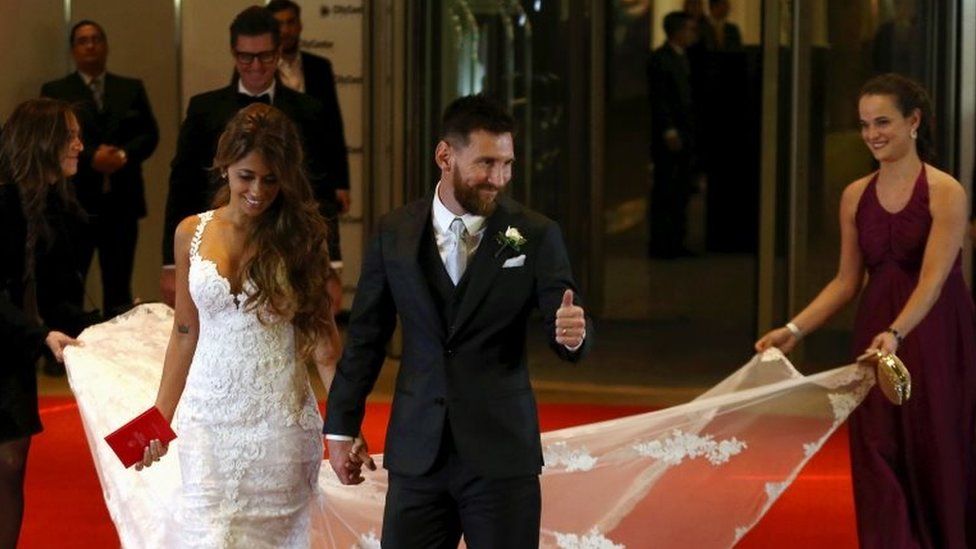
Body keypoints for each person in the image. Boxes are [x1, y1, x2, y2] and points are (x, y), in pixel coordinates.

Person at [324, 94, 592, 547]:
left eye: (507, 164)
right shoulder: (394, 233)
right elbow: (367, 338)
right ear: (444, 156)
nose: (499, 179)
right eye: (487, 163)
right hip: (417, 456)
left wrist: (572, 335)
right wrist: (340, 426)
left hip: (502, 455)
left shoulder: (536, 234)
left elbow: (562, 320)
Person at [756, 74, 976, 548]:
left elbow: (934, 280)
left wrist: (897, 333)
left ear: (914, 121)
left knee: (935, 447)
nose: (872, 134)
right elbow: (845, 281)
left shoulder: (946, 192)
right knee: (879, 447)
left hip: (935, 333)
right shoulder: (855, 195)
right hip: (876, 337)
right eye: (864, 125)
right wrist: (794, 329)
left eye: (883, 122)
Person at [136, 103, 361, 547]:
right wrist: (158, 420)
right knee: (208, 537)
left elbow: (324, 345)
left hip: (278, 427)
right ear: (225, 168)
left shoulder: (303, 237)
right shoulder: (190, 233)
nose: (259, 190)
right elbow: (185, 331)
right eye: (247, 176)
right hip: (206, 422)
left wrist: (344, 428)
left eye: (271, 179)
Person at [161, 6, 341, 307]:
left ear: (280, 51)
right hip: (217, 248)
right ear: (234, 53)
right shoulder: (204, 109)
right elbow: (181, 188)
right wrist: (171, 263)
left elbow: (320, 191)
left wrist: (331, 263)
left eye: (265, 56)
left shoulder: (309, 110)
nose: (256, 66)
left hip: (285, 247)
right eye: (246, 56)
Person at [0, 98, 85, 548]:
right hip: (10, 337)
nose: (80, 145)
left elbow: (56, 298)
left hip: (14, 344)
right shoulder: (3, 199)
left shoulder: (53, 206)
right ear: (43, 141)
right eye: (70, 135)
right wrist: (37, 335)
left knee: (11, 465)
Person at [41, 20, 160, 319]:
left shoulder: (130, 87)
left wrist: (122, 154)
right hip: (74, 203)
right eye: (83, 40)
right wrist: (92, 156)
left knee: (118, 283)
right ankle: (62, 352)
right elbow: (50, 137)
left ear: (106, 45)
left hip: (122, 203)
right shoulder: (57, 90)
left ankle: (115, 350)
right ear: (73, 50)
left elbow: (149, 133)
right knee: (68, 281)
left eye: (96, 39)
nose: (90, 45)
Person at [267, 0, 350, 316]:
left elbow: (334, 126)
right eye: (279, 25)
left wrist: (342, 182)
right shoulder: (262, 68)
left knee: (323, 257)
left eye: (290, 22)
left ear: (300, 26)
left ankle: (320, 321)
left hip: (316, 175)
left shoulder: (319, 67)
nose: (286, 30)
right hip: (276, 173)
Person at [647, 11, 697, 258]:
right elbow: (660, 100)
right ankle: (662, 243)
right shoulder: (660, 59)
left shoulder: (684, 58)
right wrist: (669, 129)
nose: (692, 34)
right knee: (666, 187)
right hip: (669, 134)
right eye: (688, 29)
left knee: (681, 188)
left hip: (685, 132)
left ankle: (677, 240)